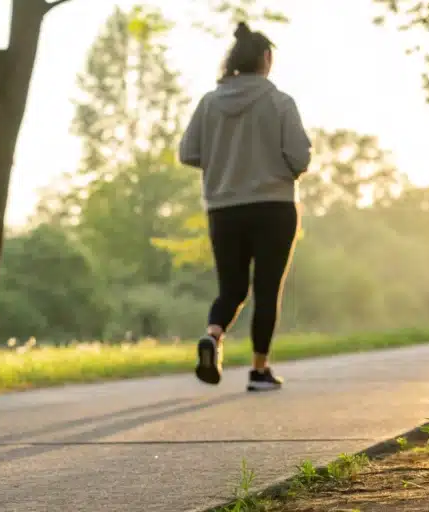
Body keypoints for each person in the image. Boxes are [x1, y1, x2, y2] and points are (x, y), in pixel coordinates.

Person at [178, 21, 312, 392]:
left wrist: (224, 163)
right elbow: (300, 157)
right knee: (267, 289)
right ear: (266, 59)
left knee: (232, 288)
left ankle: (213, 335)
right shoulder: (280, 101)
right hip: (274, 207)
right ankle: (259, 370)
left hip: (224, 209)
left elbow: (188, 152)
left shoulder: (208, 103)